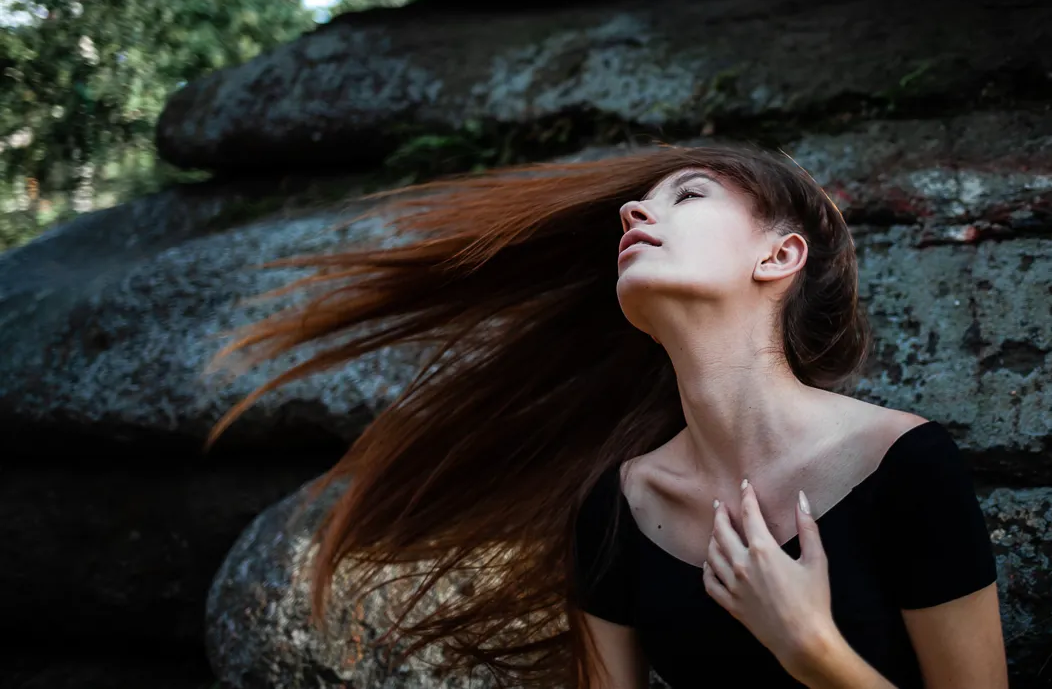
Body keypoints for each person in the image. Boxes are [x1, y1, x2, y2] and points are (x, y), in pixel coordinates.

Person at [203, 141, 1007, 689]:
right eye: (637, 201)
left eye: (686, 194)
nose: (633, 212)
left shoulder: (904, 465)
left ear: (779, 257)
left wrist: (810, 647)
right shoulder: (618, 506)